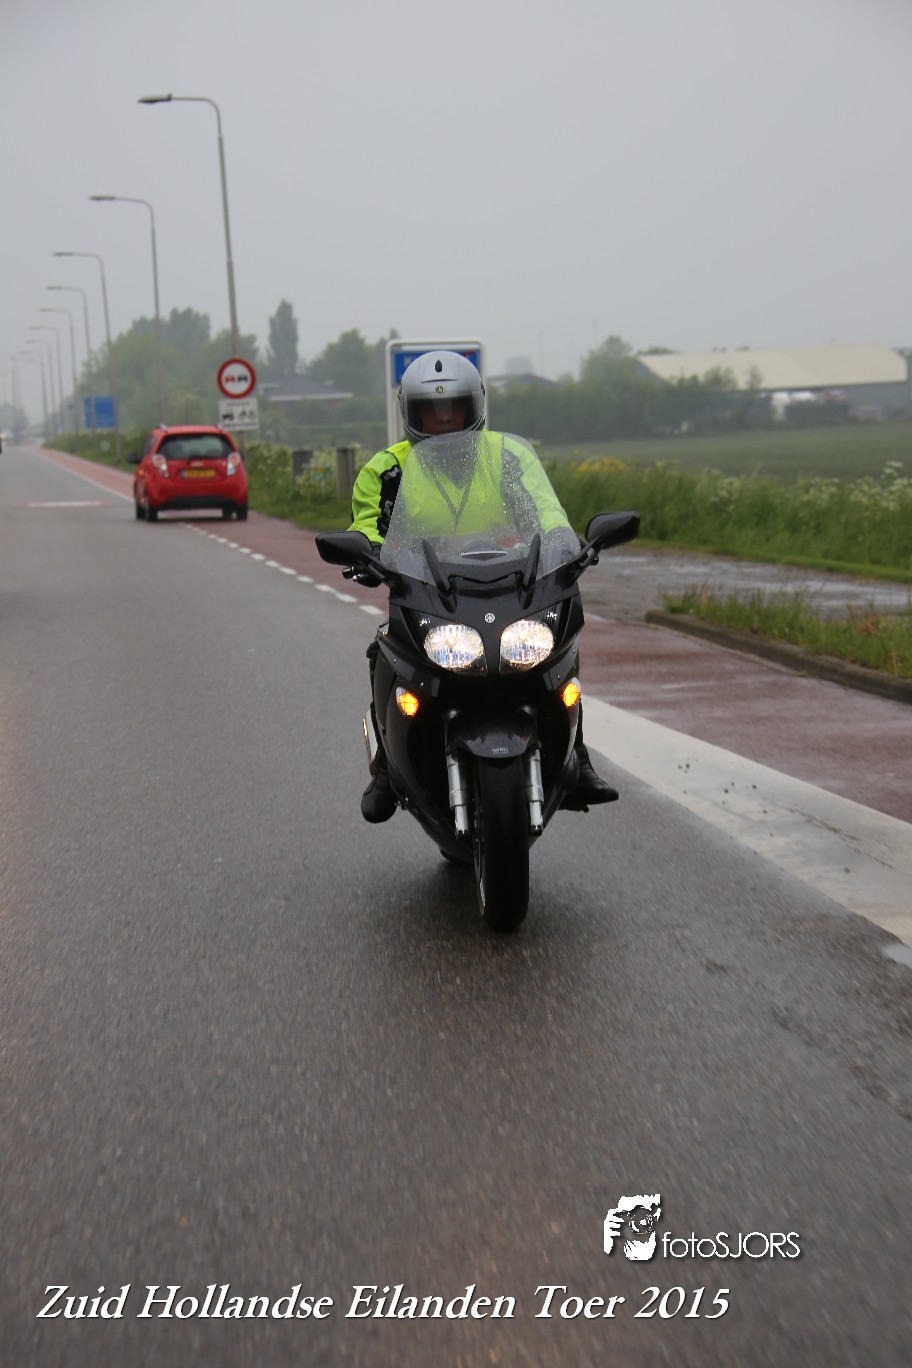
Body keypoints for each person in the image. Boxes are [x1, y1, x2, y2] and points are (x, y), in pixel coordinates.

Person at [349, 349, 619, 823]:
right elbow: (367, 526)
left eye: (454, 409)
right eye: (431, 412)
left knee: (560, 648)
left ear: (475, 407)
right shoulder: (387, 470)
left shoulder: (508, 455)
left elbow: (546, 511)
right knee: (384, 649)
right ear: (411, 415)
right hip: (428, 591)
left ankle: (575, 755)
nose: (444, 421)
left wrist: (566, 542)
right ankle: (386, 769)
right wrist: (365, 554)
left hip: (511, 584)